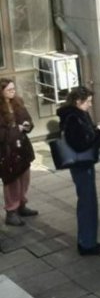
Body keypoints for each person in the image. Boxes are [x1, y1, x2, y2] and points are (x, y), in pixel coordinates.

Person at [58, 86, 100, 255]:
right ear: (78, 102)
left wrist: (94, 131)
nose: (90, 105)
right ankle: (87, 243)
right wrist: (98, 133)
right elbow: (81, 144)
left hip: (81, 163)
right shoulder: (74, 118)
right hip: (81, 164)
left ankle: (87, 240)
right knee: (88, 203)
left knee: (87, 202)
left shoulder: (76, 114)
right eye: (88, 102)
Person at [0, 78, 37, 227]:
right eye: (9, 90)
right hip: (6, 151)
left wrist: (27, 126)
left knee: (24, 177)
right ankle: (11, 211)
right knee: (11, 181)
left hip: (22, 147)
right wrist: (16, 129)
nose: (13, 92)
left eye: (13, 89)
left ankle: (21, 204)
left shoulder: (18, 102)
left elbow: (27, 119)